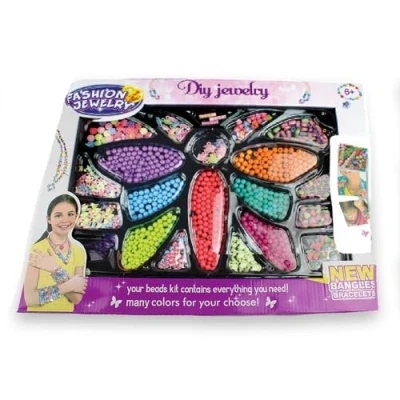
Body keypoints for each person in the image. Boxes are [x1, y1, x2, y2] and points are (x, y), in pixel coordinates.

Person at [24, 194, 88, 312]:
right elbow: (30, 299)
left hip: (65, 318)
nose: (65, 220)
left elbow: (76, 298)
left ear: (76, 216)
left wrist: (55, 269)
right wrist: (69, 285)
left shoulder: (79, 251)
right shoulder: (38, 249)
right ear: (49, 219)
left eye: (70, 214)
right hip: (37, 318)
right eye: (58, 215)